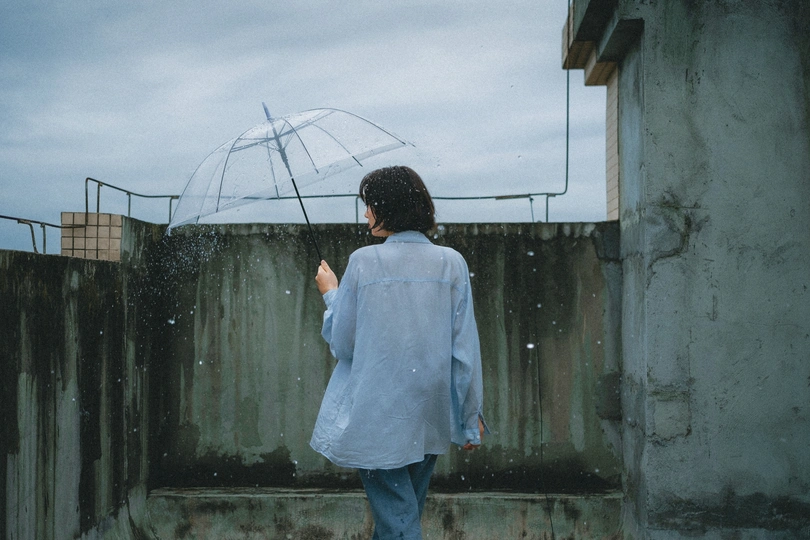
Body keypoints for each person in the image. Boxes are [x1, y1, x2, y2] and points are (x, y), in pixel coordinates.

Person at [311, 165, 488, 539]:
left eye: (369, 205)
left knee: (398, 523)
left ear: (386, 207)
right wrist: (471, 417)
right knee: (402, 517)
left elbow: (343, 345)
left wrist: (332, 293)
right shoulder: (451, 262)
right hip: (429, 411)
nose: (365, 214)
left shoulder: (363, 261)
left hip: (379, 414)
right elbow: (464, 350)